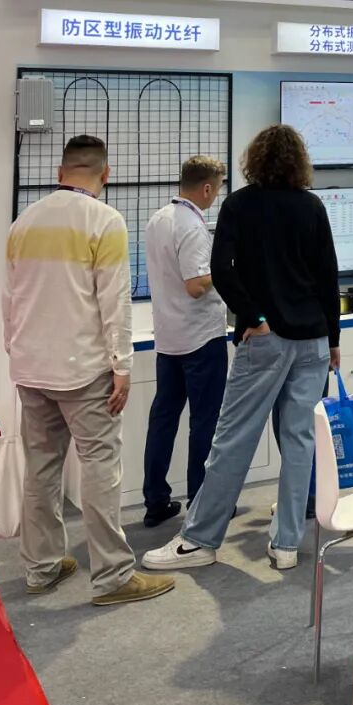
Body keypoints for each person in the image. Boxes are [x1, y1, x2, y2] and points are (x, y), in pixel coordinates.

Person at [144, 125, 339, 573]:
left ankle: (199, 539)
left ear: (255, 159)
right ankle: (286, 544)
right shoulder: (312, 206)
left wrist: (253, 317)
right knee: (299, 441)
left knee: (232, 439)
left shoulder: (239, 205)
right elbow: (328, 276)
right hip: (312, 340)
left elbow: (221, 269)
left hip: (265, 339)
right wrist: (333, 340)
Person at [2, 135, 174, 605]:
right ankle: (113, 577)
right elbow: (114, 301)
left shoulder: (24, 222)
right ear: (106, 174)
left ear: (59, 173)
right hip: (83, 370)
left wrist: (14, 350)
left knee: (41, 469)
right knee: (100, 468)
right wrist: (122, 365)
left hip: (31, 367)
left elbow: (9, 298)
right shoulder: (105, 220)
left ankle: (40, 567)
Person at [141, 155, 229, 529]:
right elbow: (195, 285)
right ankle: (201, 501)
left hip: (168, 338)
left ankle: (155, 500)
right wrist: (225, 269)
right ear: (207, 188)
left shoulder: (158, 219)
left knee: (163, 419)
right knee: (205, 420)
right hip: (201, 338)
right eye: (218, 188)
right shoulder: (193, 227)